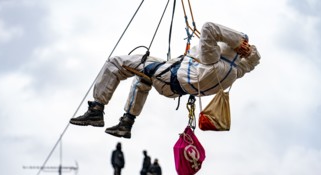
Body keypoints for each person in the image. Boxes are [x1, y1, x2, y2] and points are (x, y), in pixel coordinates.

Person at [70, 22, 261, 138]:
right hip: (173, 87)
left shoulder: (213, 61)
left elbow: (209, 28)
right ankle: (126, 123)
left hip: (169, 77)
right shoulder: (234, 72)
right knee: (144, 77)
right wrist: (249, 53)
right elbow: (252, 62)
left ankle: (96, 109)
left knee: (115, 63)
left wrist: (238, 41)